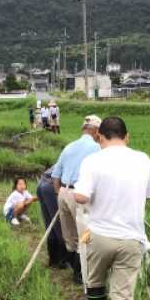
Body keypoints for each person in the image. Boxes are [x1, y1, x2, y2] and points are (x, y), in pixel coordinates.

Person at [74, 116, 150, 300]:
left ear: (99, 137)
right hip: (132, 238)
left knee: (95, 281)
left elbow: (80, 197)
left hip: (99, 235)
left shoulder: (92, 160)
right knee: (122, 295)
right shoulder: (142, 159)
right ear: (126, 136)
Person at [51, 115, 102, 284]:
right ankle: (80, 275)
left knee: (70, 234)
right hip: (78, 196)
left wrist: (60, 192)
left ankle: (74, 268)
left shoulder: (69, 146)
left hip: (64, 192)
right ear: (96, 131)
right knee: (85, 235)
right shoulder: (97, 148)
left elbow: (55, 175)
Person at [36, 168, 67, 268]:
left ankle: (54, 260)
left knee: (51, 225)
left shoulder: (69, 152)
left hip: (43, 183)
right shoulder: (92, 157)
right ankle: (62, 261)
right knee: (59, 225)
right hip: (52, 185)